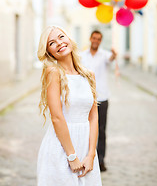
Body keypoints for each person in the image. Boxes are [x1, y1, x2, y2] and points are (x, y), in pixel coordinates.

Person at [37, 26, 102, 186]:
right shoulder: (53, 72)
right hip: (61, 149)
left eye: (61, 37)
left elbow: (93, 116)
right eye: (52, 43)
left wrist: (91, 155)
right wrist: (71, 156)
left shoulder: (89, 75)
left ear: (69, 38)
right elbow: (57, 117)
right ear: (49, 52)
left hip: (86, 148)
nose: (59, 43)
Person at [81, 30, 117, 172]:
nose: (96, 40)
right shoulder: (82, 56)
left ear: (101, 41)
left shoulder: (104, 55)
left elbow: (112, 58)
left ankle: (101, 160)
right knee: (86, 129)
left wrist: (114, 54)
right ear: (90, 38)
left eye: (99, 39)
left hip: (102, 98)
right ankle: (87, 157)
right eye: (94, 38)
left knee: (101, 130)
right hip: (86, 98)